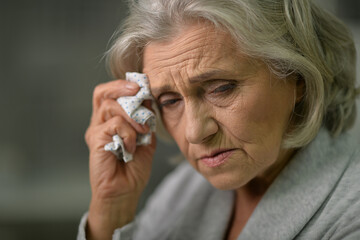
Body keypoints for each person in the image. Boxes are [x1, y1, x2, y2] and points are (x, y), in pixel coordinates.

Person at [78, 0, 360, 239]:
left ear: (298, 77)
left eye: (221, 88)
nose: (194, 132)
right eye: (170, 101)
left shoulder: (351, 212)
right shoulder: (182, 191)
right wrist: (111, 209)